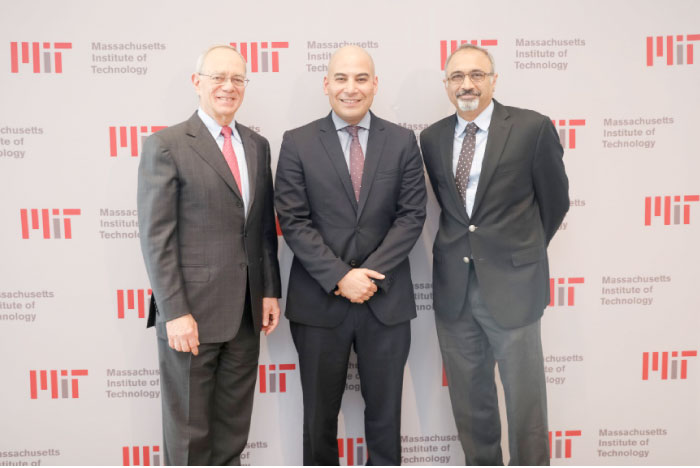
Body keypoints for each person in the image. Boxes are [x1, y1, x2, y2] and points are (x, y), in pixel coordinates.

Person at [274, 45, 426, 466]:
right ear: (326, 85)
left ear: (375, 85)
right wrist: (341, 277)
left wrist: (368, 274)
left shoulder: (401, 141)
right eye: (341, 78)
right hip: (320, 302)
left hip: (386, 301)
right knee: (318, 420)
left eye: (361, 78)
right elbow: (293, 220)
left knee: (385, 418)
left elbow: (411, 216)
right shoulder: (297, 142)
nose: (351, 88)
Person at [420, 43, 569, 465]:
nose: (467, 84)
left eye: (477, 75)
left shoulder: (531, 128)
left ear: (493, 80)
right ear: (447, 84)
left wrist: (521, 254)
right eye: (457, 77)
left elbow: (555, 202)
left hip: (515, 288)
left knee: (526, 405)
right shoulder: (431, 138)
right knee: (471, 404)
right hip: (454, 290)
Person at [137, 44, 281, 465]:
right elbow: (156, 238)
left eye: (238, 79)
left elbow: (261, 229)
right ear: (196, 82)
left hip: (245, 315)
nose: (228, 86)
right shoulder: (166, 146)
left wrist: (269, 290)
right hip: (191, 318)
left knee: (233, 432)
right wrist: (174, 311)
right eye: (218, 77)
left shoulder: (257, 145)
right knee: (188, 438)